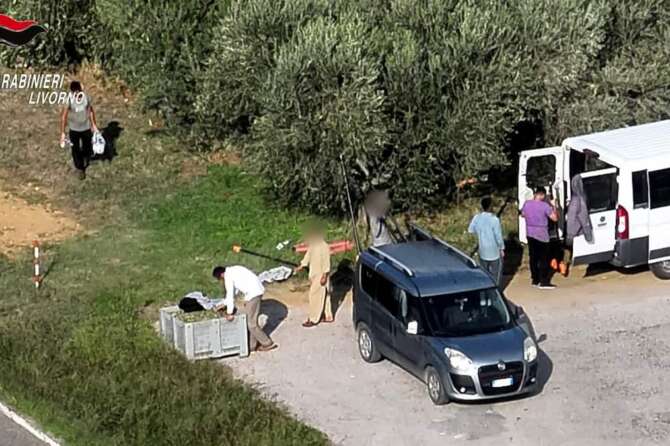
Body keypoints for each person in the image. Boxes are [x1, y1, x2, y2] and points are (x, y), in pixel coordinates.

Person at [212, 265, 277, 352]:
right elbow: (233, 293)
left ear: (221, 275)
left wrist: (229, 313)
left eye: (220, 278)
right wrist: (222, 304)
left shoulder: (228, 276)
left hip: (253, 293)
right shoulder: (234, 269)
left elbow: (230, 295)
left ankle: (267, 343)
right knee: (250, 320)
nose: (222, 280)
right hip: (256, 291)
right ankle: (252, 346)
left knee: (251, 323)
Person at [294, 225, 332, 327]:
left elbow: (326, 262)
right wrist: (301, 266)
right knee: (324, 295)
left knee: (314, 296)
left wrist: (325, 275)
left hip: (321, 275)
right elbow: (307, 257)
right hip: (314, 274)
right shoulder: (313, 245)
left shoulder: (324, 246)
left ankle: (313, 319)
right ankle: (327, 315)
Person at [60, 81, 98, 180]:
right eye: (74, 92)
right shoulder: (69, 100)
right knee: (75, 149)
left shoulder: (86, 98)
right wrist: (63, 133)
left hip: (86, 127)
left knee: (87, 147)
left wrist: (94, 125)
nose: (77, 94)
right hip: (74, 129)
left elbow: (90, 111)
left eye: (78, 91)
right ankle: (79, 168)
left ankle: (85, 157)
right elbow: (64, 116)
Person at [521, 187, 559, 289]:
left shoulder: (527, 204)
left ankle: (535, 279)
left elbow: (523, 214)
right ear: (542, 195)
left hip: (530, 233)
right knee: (544, 258)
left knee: (533, 257)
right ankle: (544, 281)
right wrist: (554, 206)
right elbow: (555, 218)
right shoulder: (545, 206)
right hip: (542, 234)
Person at [468, 197, 505, 286]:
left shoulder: (477, 217)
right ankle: (495, 292)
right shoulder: (494, 219)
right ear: (491, 206)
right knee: (496, 274)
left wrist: (480, 231)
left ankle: (486, 289)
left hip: (482, 250)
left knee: (484, 273)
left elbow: (470, 230)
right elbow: (498, 236)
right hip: (494, 251)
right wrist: (502, 248)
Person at [564, 175, 594, 269]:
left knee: (568, 249)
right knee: (572, 249)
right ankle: (565, 264)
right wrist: (588, 233)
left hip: (572, 232)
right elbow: (583, 217)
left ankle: (565, 264)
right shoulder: (579, 200)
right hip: (577, 232)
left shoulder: (574, 199)